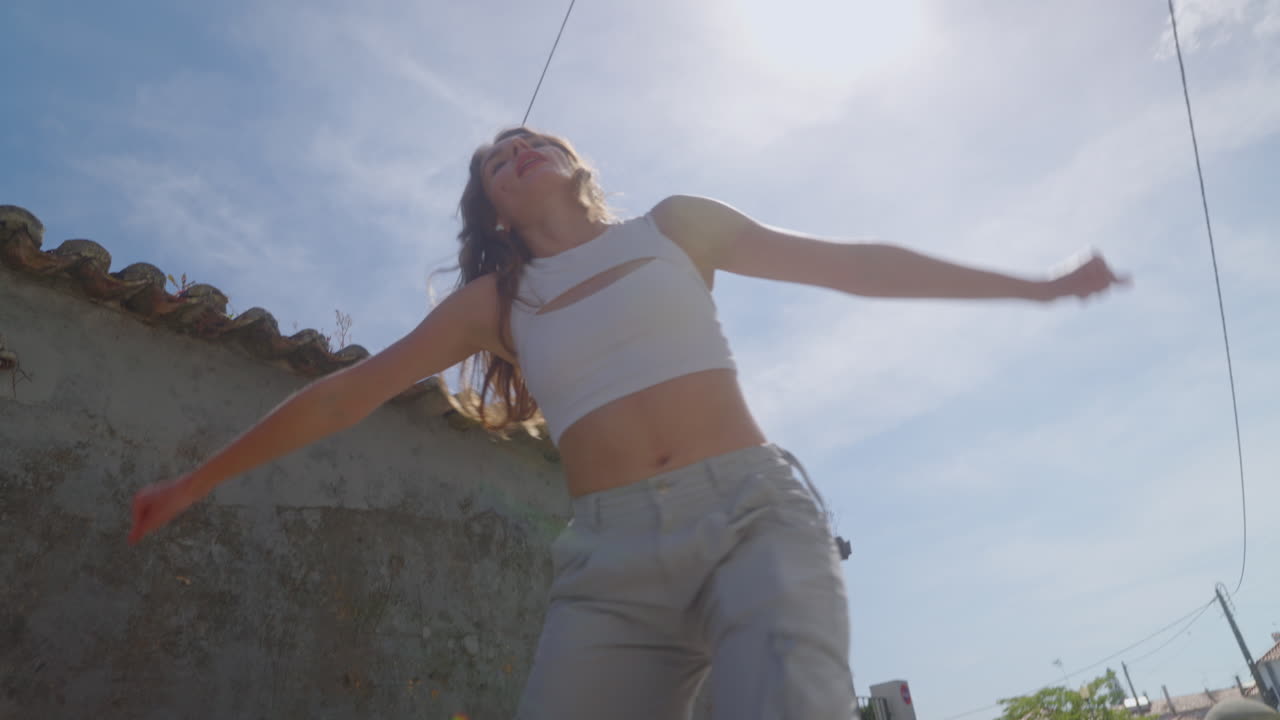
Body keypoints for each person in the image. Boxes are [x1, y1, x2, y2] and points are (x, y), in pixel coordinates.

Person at [128, 126, 1130, 718]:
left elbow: (848, 262)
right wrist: (194, 482)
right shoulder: (496, 299)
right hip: (608, 568)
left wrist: (1032, 288)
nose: (513, 152)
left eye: (530, 143)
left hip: (749, 519)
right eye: (494, 164)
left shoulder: (672, 227)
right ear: (494, 209)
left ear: (573, 167)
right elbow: (348, 392)